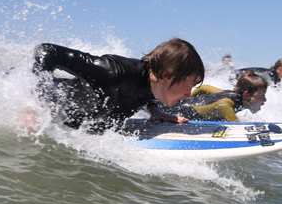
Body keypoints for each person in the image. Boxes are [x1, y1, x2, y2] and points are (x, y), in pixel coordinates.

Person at [31, 38, 205, 133]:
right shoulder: (113, 72)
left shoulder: (154, 85)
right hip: (53, 96)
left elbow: (141, 91)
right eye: (189, 86)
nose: (188, 95)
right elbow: (47, 50)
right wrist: (37, 104)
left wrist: (154, 110)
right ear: (167, 76)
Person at [161, 72, 267, 122]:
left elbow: (203, 88)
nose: (264, 100)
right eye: (261, 95)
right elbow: (223, 106)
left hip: (177, 104)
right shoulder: (230, 102)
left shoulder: (229, 94)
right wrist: (239, 127)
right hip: (173, 110)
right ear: (246, 94)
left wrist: (187, 99)